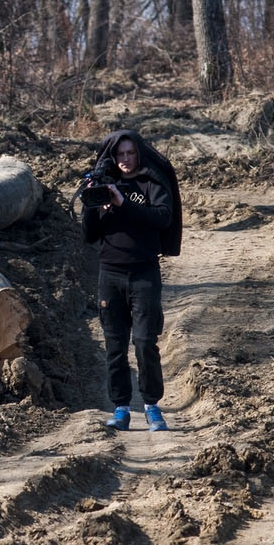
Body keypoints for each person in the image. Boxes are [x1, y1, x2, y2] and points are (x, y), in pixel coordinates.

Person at [79, 129, 181, 432]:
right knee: (115, 345)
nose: (125, 160)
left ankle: (152, 406)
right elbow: (89, 235)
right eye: (120, 154)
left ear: (139, 153)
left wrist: (124, 203)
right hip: (109, 274)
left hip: (144, 273)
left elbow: (162, 217)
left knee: (145, 341)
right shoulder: (104, 184)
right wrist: (91, 204)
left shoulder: (151, 182)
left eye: (130, 153)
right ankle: (121, 407)